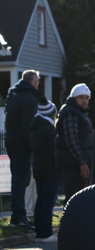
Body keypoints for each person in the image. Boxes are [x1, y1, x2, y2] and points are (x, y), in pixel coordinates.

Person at [4, 69, 40, 230]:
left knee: (17, 180)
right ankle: (19, 217)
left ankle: (17, 215)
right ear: (34, 81)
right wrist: (33, 146)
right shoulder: (29, 98)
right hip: (23, 145)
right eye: (38, 80)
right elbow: (27, 126)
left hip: (12, 142)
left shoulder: (13, 95)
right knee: (22, 181)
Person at [54, 84, 94, 201]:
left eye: (86, 98)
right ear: (74, 98)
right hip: (73, 164)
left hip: (76, 162)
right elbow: (71, 139)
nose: (84, 101)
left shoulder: (79, 112)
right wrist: (82, 162)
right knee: (73, 198)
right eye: (80, 97)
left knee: (79, 198)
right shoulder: (71, 113)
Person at [29, 99, 59, 242]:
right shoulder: (49, 129)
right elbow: (54, 151)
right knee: (48, 202)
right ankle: (46, 233)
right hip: (50, 170)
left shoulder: (35, 127)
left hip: (38, 168)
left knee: (41, 201)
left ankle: (39, 232)